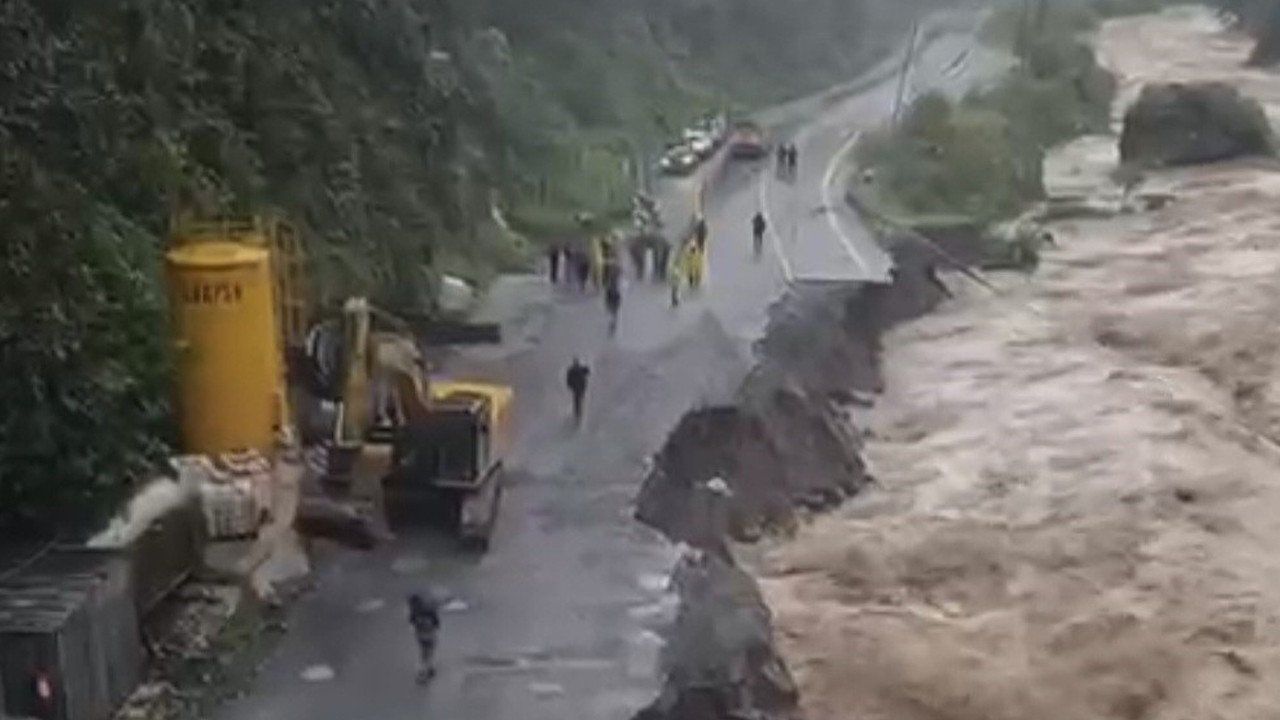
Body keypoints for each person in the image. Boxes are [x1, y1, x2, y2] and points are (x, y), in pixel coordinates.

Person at [407, 593, 441, 684]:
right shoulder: (429, 609)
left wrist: (415, 631)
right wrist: (435, 628)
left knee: (423, 651)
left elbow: (411, 624)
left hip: (420, 634)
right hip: (430, 632)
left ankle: (423, 670)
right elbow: (436, 622)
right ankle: (428, 668)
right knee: (429, 650)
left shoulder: (414, 611)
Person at [566, 358, 590, 425]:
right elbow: (568, 381)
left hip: (580, 389)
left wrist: (570, 386)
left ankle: (578, 417)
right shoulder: (572, 370)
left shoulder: (576, 370)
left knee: (578, 402)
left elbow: (587, 371)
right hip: (578, 389)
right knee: (578, 402)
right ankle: (578, 417)